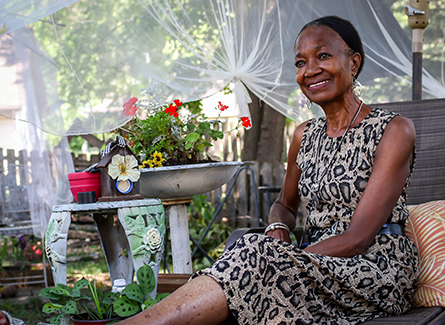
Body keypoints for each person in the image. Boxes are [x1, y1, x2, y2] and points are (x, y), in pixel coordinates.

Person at [118, 15, 417, 325]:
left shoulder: (393, 130)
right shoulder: (304, 135)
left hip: (374, 268)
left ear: (354, 62)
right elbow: (285, 205)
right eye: (300, 62)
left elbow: (357, 237)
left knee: (254, 256)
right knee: (250, 264)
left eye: (323, 55)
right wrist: (279, 227)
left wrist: (282, 258)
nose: (310, 70)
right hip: (309, 268)